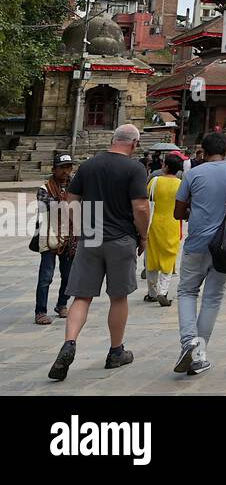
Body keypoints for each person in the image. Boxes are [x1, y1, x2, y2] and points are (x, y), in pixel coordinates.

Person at [47, 125, 149, 381]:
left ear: (113, 140)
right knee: (118, 297)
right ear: (134, 144)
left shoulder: (89, 165)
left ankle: (69, 343)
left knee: (81, 297)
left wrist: (82, 226)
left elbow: (70, 200)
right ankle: (116, 351)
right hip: (121, 238)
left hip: (90, 239)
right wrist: (144, 235)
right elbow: (141, 207)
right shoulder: (135, 168)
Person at [172, 132, 226, 378]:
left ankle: (189, 342)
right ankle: (199, 355)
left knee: (187, 291)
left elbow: (178, 211)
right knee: (212, 298)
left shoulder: (192, 174)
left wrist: (197, 208)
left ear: (203, 152)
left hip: (197, 243)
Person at [35, 153, 77, 325]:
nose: (66, 171)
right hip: (49, 237)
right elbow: (49, 208)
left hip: (69, 237)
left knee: (68, 276)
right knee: (46, 277)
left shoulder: (74, 187)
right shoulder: (44, 189)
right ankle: (40, 311)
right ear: (54, 169)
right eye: (63, 168)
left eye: (69, 167)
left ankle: (62, 304)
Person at [144, 153, 185, 307]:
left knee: (152, 258)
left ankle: (152, 293)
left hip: (154, 223)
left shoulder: (154, 181)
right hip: (172, 224)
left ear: (165, 166)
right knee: (169, 257)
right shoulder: (181, 184)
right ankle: (163, 290)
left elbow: (146, 199)